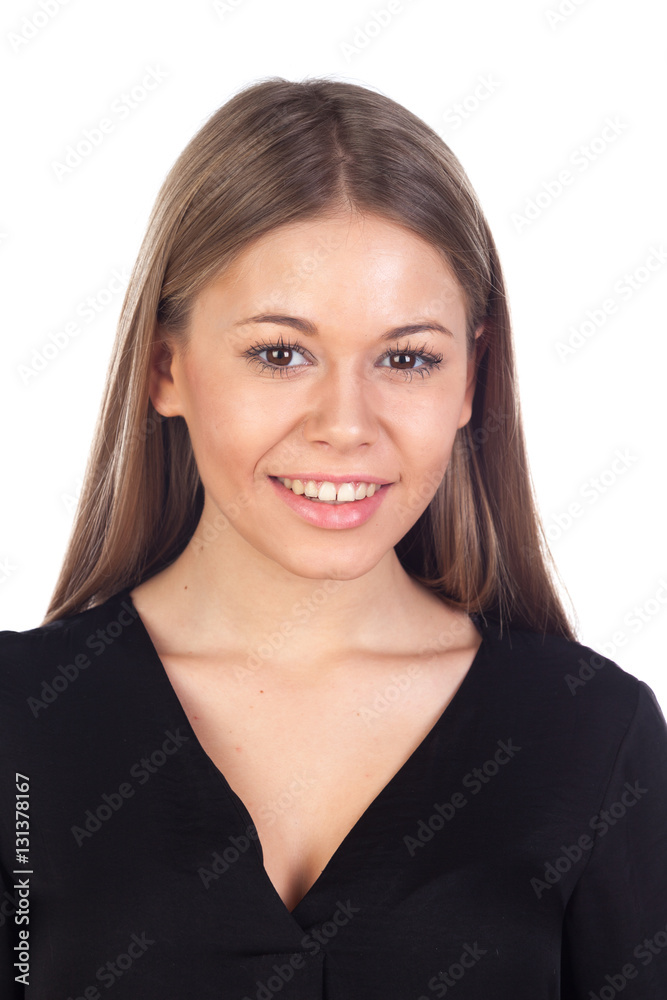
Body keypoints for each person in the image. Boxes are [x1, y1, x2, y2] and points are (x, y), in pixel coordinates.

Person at [1, 76, 665, 999]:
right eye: (280, 354)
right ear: (164, 367)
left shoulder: (591, 733)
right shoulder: (20, 724)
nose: (345, 425)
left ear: (470, 380)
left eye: (407, 358)